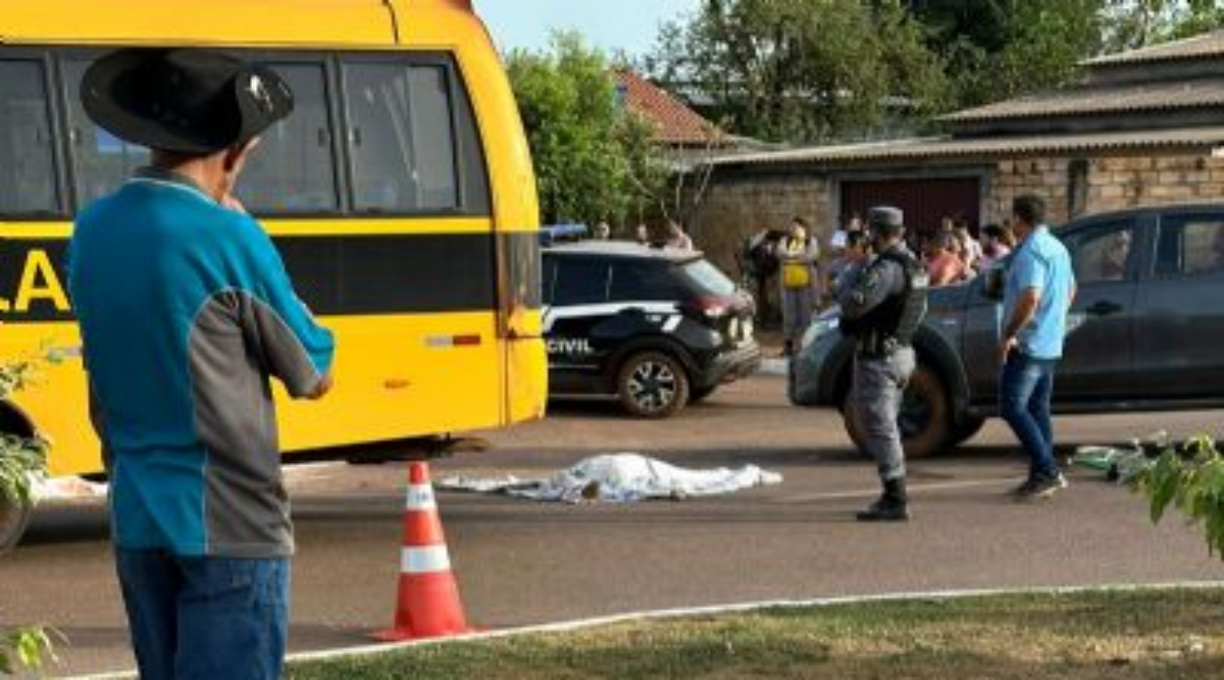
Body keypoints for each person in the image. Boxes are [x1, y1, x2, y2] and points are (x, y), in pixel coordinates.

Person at [67, 48, 336, 680]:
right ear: (233, 153)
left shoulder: (91, 230)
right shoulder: (230, 236)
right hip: (231, 524)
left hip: (138, 519)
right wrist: (254, 242)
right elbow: (313, 372)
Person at [837, 206, 929, 521]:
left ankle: (895, 498)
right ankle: (893, 491)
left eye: (870, 232)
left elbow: (852, 305)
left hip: (880, 358)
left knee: (879, 427)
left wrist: (852, 268)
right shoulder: (913, 263)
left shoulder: (886, 269)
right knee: (885, 425)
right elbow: (918, 309)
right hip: (902, 351)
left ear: (876, 233)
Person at [999, 194, 1076, 500]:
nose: (1011, 224)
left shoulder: (1031, 251)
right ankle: (1039, 475)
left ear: (1020, 219)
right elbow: (1071, 289)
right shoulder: (1057, 247)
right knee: (1037, 408)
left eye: (1012, 219)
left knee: (1011, 407)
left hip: (1028, 343)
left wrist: (1009, 333)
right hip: (1050, 342)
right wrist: (1053, 319)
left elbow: (1030, 296)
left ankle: (1047, 470)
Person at [777, 217, 820, 356]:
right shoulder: (785, 240)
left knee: (806, 316)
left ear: (803, 227)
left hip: (806, 285)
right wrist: (795, 256)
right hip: (788, 285)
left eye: (796, 226)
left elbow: (811, 256)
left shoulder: (811, 241)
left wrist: (790, 258)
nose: (793, 229)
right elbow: (779, 253)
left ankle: (806, 346)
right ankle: (788, 346)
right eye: (792, 226)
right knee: (788, 316)